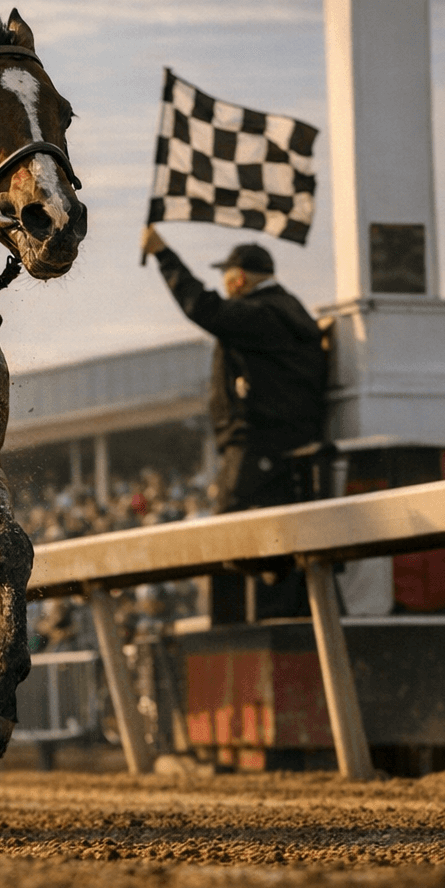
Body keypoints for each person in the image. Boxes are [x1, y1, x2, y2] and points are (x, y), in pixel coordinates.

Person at [141, 226, 327, 619]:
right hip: (280, 450)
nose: (224, 285)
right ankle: (283, 627)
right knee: (274, 551)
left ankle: (233, 637)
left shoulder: (261, 315)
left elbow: (202, 307)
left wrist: (163, 253)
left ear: (240, 278)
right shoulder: (287, 311)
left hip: (256, 447)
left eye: (226, 276)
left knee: (228, 543)